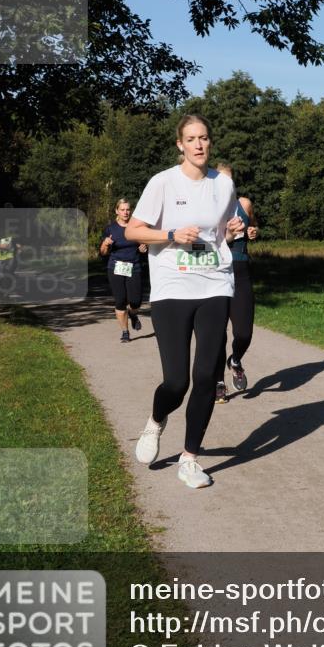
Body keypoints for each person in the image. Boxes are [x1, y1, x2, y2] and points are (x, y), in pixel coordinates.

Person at [125, 114, 246, 489]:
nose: (198, 145)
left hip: (214, 285)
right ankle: (156, 422)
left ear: (210, 142)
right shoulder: (162, 182)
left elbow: (223, 227)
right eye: (191, 139)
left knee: (206, 376)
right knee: (176, 381)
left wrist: (233, 229)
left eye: (204, 138)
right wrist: (172, 234)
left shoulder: (223, 184)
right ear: (180, 144)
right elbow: (133, 230)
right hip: (172, 289)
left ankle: (190, 458)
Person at [214, 164, 259, 403]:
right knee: (216, 333)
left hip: (241, 271)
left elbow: (254, 224)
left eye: (229, 181)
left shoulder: (244, 205)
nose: (225, 185)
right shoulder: (207, 207)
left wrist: (253, 231)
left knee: (244, 332)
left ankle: (236, 360)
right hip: (215, 273)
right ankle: (219, 382)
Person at [100, 198, 148, 343]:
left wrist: (143, 249)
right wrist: (105, 244)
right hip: (116, 267)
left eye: (128, 209)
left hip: (134, 266)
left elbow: (145, 247)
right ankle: (125, 332)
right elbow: (102, 252)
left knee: (136, 301)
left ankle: (133, 314)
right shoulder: (110, 229)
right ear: (117, 211)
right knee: (120, 301)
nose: (125, 212)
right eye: (122, 209)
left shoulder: (136, 228)